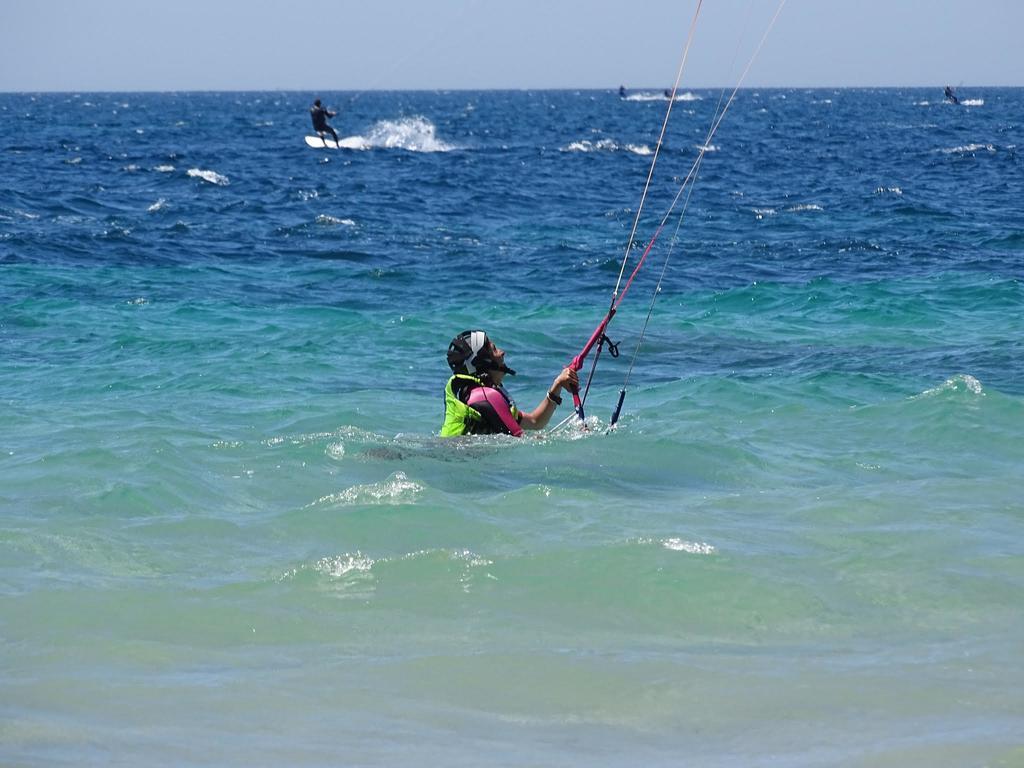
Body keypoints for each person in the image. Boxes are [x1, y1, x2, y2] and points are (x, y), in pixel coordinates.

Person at [440, 329, 578, 437]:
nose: (502, 352)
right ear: (483, 362)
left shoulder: (479, 394)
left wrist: (557, 385)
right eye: (494, 349)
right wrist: (576, 436)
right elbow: (524, 442)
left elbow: (535, 422)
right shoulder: (486, 397)